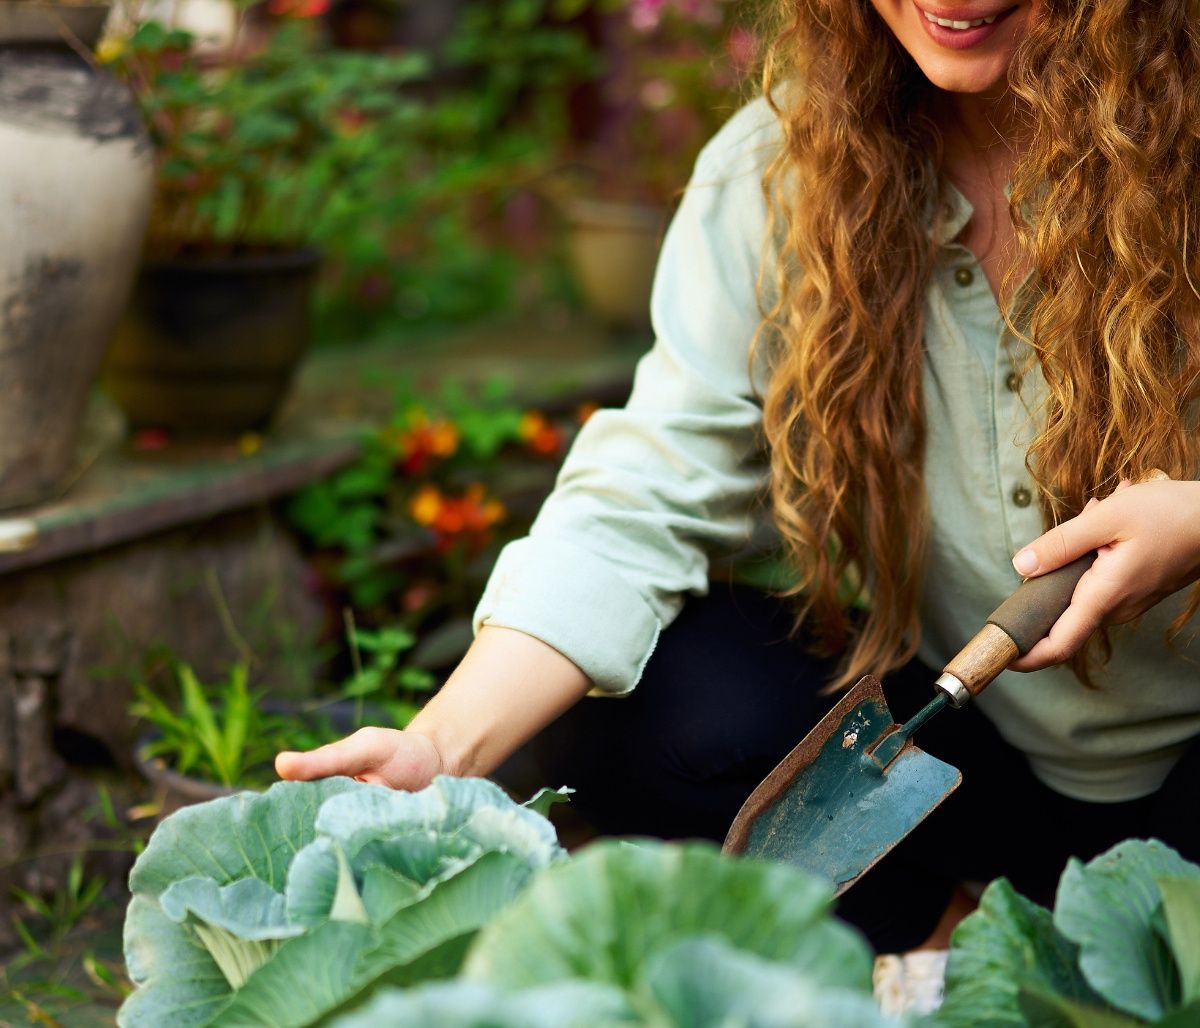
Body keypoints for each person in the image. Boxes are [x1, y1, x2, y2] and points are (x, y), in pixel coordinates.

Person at [277, 0, 1200, 951]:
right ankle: (960, 952)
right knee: (651, 702)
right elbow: (647, 489)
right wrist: (442, 748)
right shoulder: (790, 162)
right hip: (977, 769)